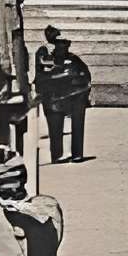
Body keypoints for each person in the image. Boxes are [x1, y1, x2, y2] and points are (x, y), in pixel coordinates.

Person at [35, 28, 93, 163]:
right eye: (61, 43)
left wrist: (83, 88)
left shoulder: (73, 60)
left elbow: (85, 76)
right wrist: (65, 74)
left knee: (78, 122)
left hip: (75, 95)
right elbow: (42, 76)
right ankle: (57, 154)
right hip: (53, 96)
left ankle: (77, 153)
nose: (65, 46)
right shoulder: (45, 57)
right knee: (55, 125)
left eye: (66, 43)